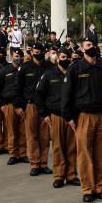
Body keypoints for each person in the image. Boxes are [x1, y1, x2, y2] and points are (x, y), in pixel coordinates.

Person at [61, 38, 102, 202]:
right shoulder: (75, 68)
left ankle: (100, 187)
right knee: (84, 154)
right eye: (88, 45)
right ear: (82, 49)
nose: (91, 47)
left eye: (93, 45)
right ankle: (87, 189)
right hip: (83, 116)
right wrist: (69, 117)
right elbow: (67, 94)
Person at [35, 49, 79, 188]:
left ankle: (71, 175)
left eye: (68, 57)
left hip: (72, 116)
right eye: (63, 57)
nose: (66, 59)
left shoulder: (74, 74)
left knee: (72, 147)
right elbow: (39, 94)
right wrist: (44, 114)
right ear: (58, 58)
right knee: (58, 146)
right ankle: (59, 175)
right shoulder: (49, 74)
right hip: (56, 115)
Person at [15, 43, 51, 176]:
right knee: (32, 136)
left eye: (40, 51)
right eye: (36, 51)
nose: (38, 53)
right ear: (32, 52)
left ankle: (43, 163)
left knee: (44, 136)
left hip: (46, 106)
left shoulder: (49, 67)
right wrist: (18, 106)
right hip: (30, 105)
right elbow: (17, 88)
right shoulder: (24, 68)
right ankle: (35, 164)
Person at [0, 48, 26, 164]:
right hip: (9, 105)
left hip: (23, 105)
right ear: (11, 57)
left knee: (23, 131)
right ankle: (13, 154)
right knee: (11, 130)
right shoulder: (4, 71)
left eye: (20, 56)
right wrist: (1, 103)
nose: (18, 58)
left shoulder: (25, 69)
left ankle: (23, 153)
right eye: (15, 56)